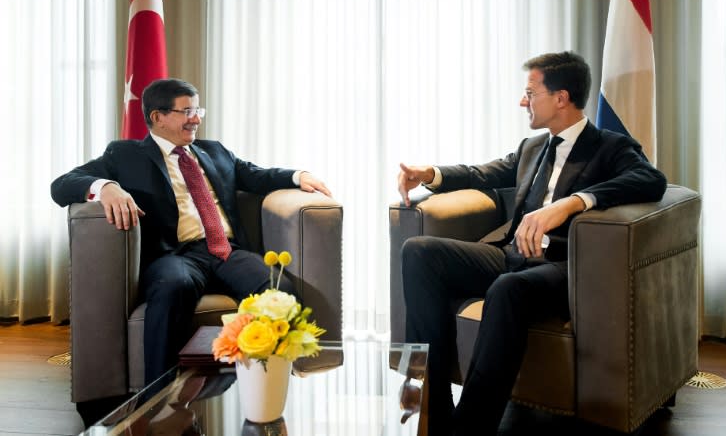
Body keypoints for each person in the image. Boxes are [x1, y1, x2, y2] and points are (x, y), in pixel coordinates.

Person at [397, 51, 667, 435]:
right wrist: (430, 173)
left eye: (530, 92)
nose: (523, 101)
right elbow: (481, 173)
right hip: (511, 255)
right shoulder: (532, 148)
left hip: (563, 268)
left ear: (561, 98)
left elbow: (651, 180)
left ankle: (470, 429)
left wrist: (571, 203)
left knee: (508, 289)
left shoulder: (610, 146)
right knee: (419, 252)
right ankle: (436, 411)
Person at [51, 78, 332, 388]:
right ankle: (158, 398)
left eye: (198, 110)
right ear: (157, 117)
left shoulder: (214, 151)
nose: (196, 119)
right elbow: (62, 184)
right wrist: (105, 186)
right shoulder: (125, 155)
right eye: (186, 111)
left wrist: (298, 175)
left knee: (279, 289)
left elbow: (255, 175)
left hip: (228, 251)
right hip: (176, 255)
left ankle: (269, 387)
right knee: (174, 287)